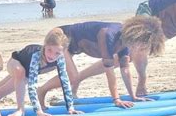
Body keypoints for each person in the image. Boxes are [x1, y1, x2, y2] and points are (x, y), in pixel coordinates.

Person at [37, 17, 165, 108]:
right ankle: (41, 90)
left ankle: (45, 90)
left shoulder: (126, 41)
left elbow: (125, 70)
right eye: (143, 46)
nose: (141, 50)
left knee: (73, 76)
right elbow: (109, 71)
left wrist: (133, 96)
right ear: (138, 37)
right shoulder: (108, 35)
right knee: (73, 77)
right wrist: (116, 99)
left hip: (72, 46)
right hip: (60, 37)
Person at [0, 29, 82, 116]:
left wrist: (70, 108)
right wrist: (38, 111)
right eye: (49, 50)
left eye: (57, 53)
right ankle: (20, 109)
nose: (52, 55)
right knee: (20, 72)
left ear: (63, 52)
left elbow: (65, 82)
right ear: (45, 46)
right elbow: (32, 85)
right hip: (15, 63)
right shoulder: (36, 56)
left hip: (26, 72)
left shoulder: (60, 59)